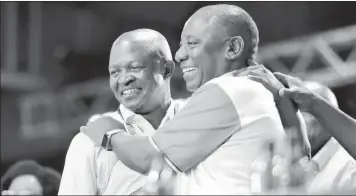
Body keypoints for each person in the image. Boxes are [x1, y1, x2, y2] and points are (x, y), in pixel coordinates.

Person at [82, 4, 308, 194]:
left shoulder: (228, 88)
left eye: (192, 43)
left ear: (233, 48)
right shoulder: (261, 93)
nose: (180, 54)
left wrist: (110, 133)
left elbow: (152, 158)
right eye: (181, 45)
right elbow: (303, 157)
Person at [58, 29, 180, 195]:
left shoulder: (201, 126)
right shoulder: (89, 143)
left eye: (135, 67)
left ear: (166, 69)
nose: (123, 79)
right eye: (114, 72)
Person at [234, 63, 356, 193]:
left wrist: (313, 103)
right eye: (295, 111)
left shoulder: (353, 168)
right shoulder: (278, 167)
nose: (303, 119)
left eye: (307, 112)